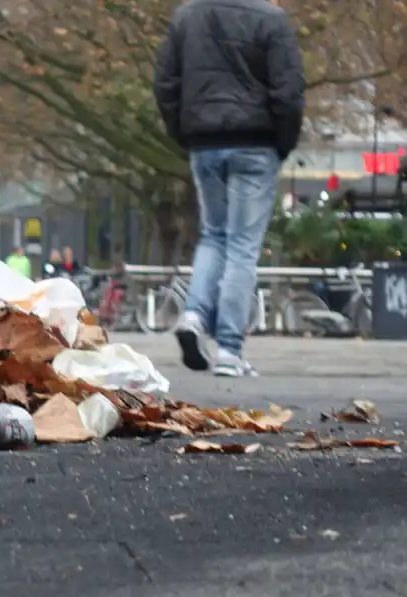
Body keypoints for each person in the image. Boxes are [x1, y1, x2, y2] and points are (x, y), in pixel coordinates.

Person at [153, 0, 304, 378]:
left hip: (205, 141)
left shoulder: (187, 15)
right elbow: (288, 91)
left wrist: (186, 131)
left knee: (213, 237)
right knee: (241, 246)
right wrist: (282, 143)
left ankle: (192, 314)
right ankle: (230, 351)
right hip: (256, 143)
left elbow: (165, 83)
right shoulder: (271, 18)